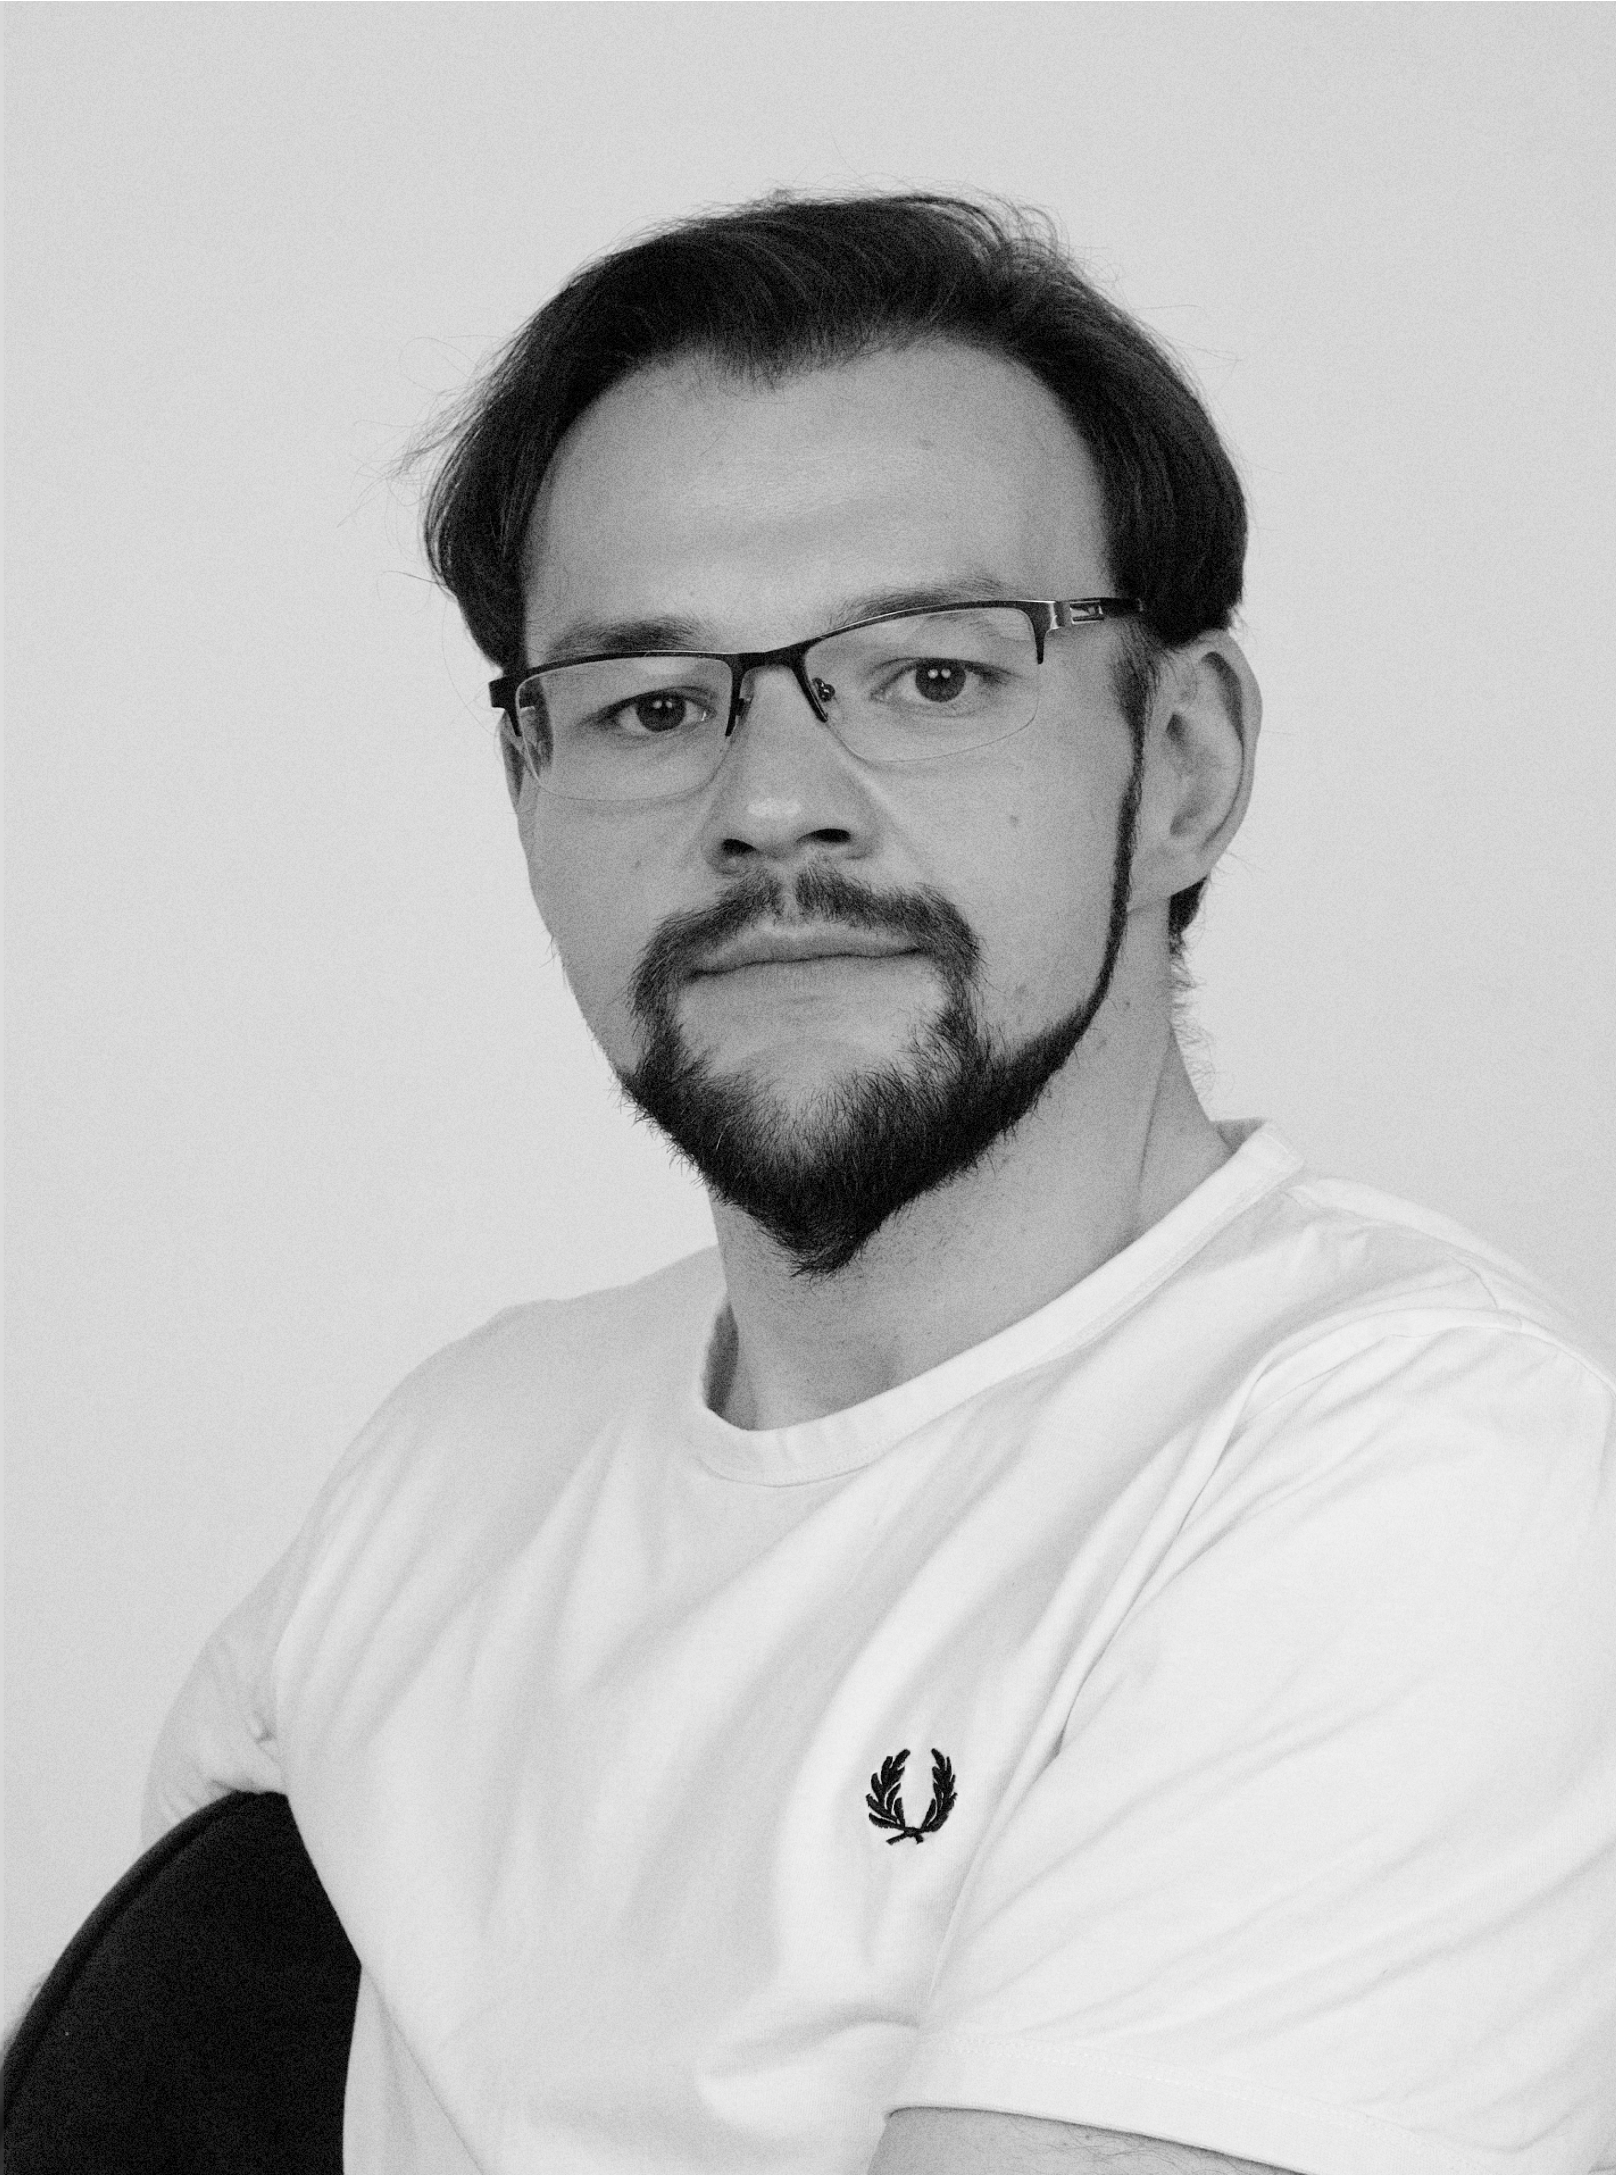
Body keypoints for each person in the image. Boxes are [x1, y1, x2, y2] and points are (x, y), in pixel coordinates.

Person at [143, 193, 1616, 2175]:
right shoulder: (446, 1468)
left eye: (929, 675)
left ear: (1183, 762)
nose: (771, 805)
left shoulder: (1409, 1467)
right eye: (652, 705)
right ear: (527, 793)